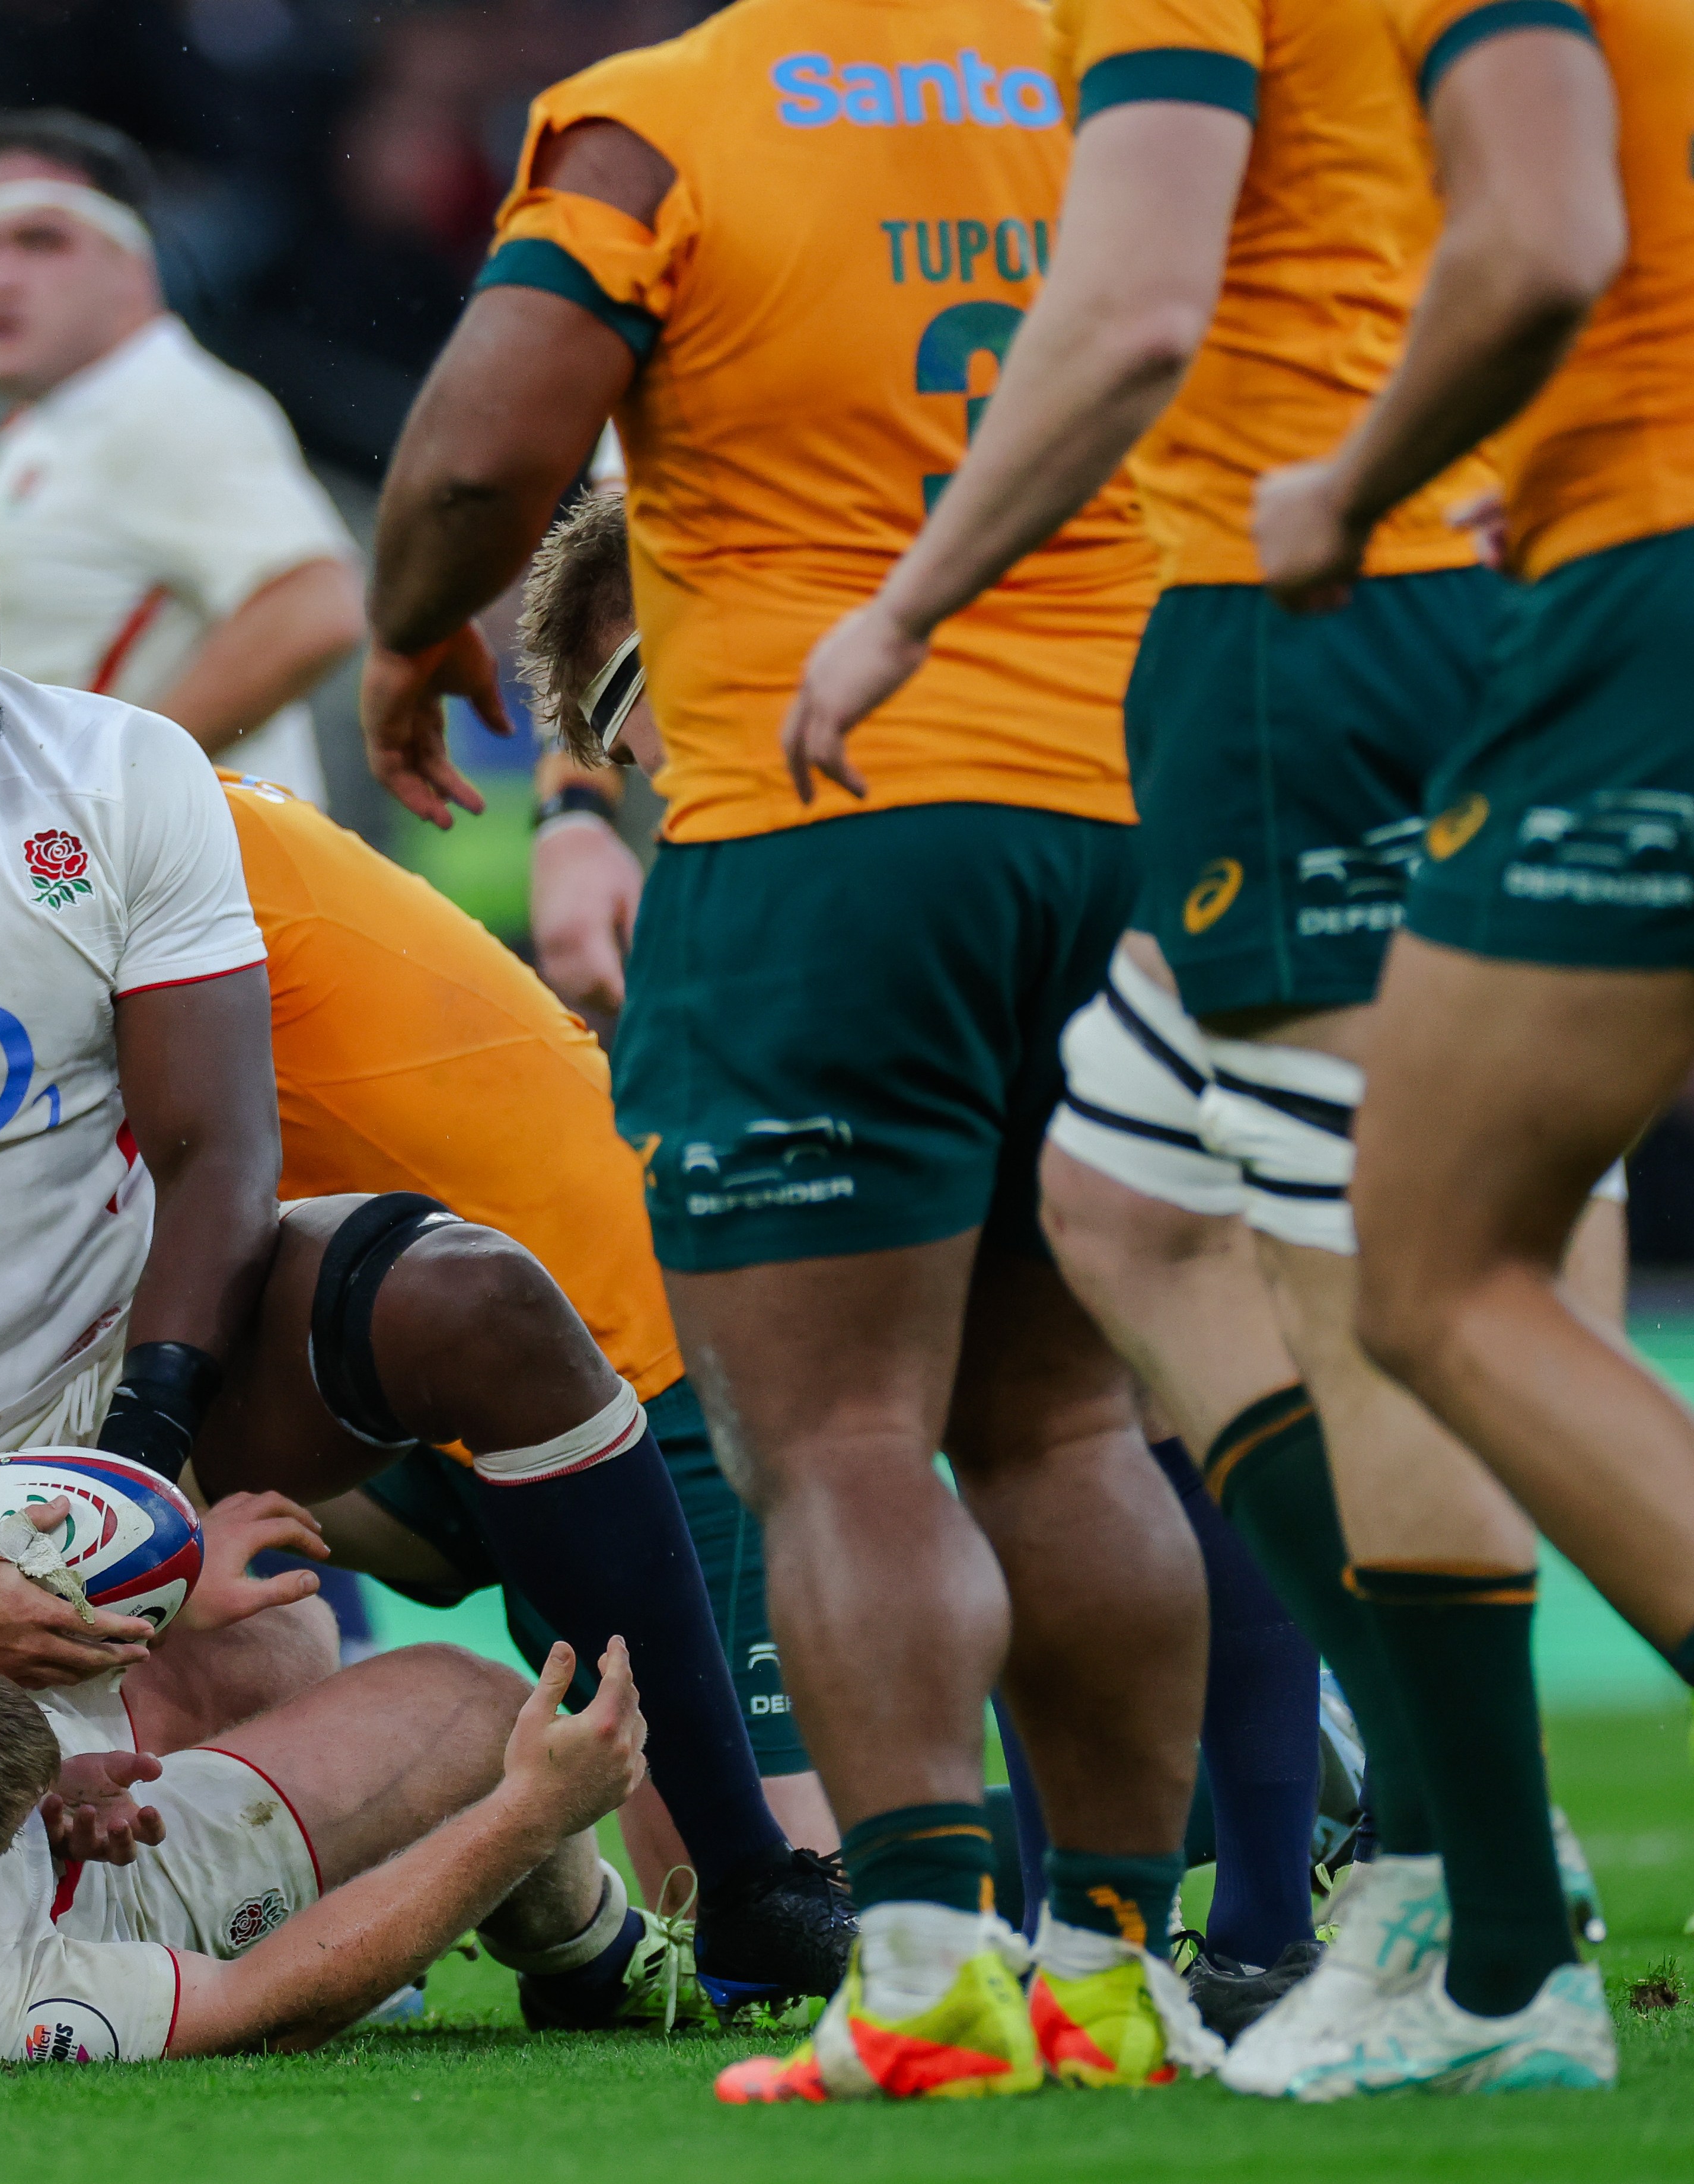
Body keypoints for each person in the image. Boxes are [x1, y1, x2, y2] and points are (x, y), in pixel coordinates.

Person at [0, 398, 850, 2012]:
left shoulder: (118, 764)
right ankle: (515, 1893)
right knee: (77, 1772)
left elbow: (220, 1151)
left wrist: (140, 1471)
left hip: (152, 1375)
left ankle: (748, 1887)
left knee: (481, 1302)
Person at [362, 0, 1223, 2102]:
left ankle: (924, 1972)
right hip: (1126, 812)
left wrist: (412, 622)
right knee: (1066, 1428)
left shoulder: (662, 122)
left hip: (826, 822)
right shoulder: (1118, 81)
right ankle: (1108, 1971)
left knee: (837, 1436)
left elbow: (485, 452)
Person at [771, 0, 1629, 2091]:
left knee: (1389, 1282)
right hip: (1451, 589)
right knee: (1129, 1202)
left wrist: (906, 603)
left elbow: (1140, 301)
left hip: (1300, 620)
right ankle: (1457, 1845)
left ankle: (1488, 1926)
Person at [208, 500, 841, 1979]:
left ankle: (1237, 1773)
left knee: (750, 1904)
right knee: (116, 1467)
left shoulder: (133, 849)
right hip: (454, 1362)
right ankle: (302, 1889)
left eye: (630, 720)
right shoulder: (132, 843)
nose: (647, 762)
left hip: (624, 1340)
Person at [1250, 0, 1693, 2091]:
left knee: (1428, 1268)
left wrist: (1360, 482)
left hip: (1647, 593)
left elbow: (1530, 244)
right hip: (1613, 532)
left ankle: (1488, 1937)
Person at [0, 1614, 649, 2067]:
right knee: (479, 1716)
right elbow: (271, 2008)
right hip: (113, 1914)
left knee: (271, 1640)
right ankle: (591, 1956)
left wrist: (174, 1572)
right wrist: (525, 1815)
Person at [0, 109, 364, 805]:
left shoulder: (169, 405)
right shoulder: (50, 427)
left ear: (131, 263)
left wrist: (105, 799)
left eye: (40, 241)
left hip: (199, 898)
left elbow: (314, 607)